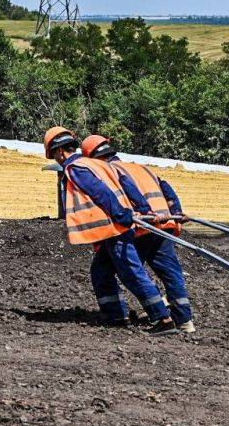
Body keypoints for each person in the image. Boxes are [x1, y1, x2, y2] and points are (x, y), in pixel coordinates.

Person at [43, 126, 178, 336]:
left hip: (115, 228)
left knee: (131, 272)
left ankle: (163, 317)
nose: (57, 159)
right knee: (101, 272)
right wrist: (143, 209)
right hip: (111, 230)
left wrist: (121, 214)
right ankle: (115, 315)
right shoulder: (96, 164)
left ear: (60, 152)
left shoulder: (75, 168)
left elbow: (99, 193)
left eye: (54, 155)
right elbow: (127, 183)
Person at [80, 135, 195, 334]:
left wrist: (143, 211)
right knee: (171, 274)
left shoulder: (110, 171)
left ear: (92, 158)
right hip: (164, 225)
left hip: (141, 228)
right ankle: (184, 320)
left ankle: (122, 316)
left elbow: (126, 190)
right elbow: (166, 187)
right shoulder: (140, 167)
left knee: (109, 270)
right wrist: (176, 211)